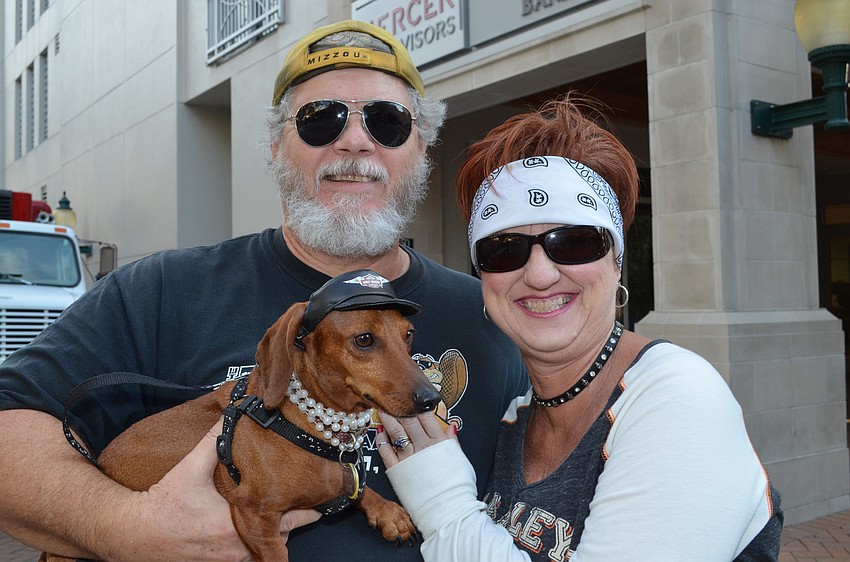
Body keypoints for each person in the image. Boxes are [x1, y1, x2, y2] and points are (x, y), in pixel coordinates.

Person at [0, 20, 527, 562]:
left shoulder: (493, 315)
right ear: (276, 145)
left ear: (421, 147)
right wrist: (129, 529)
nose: (355, 141)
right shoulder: (160, 291)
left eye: (387, 121)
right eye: (321, 120)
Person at [376, 97, 783, 561]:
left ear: (617, 261)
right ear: (483, 278)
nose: (540, 274)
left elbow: (450, 513)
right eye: (504, 249)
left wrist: (442, 504)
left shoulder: (677, 397)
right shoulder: (514, 418)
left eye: (574, 242)